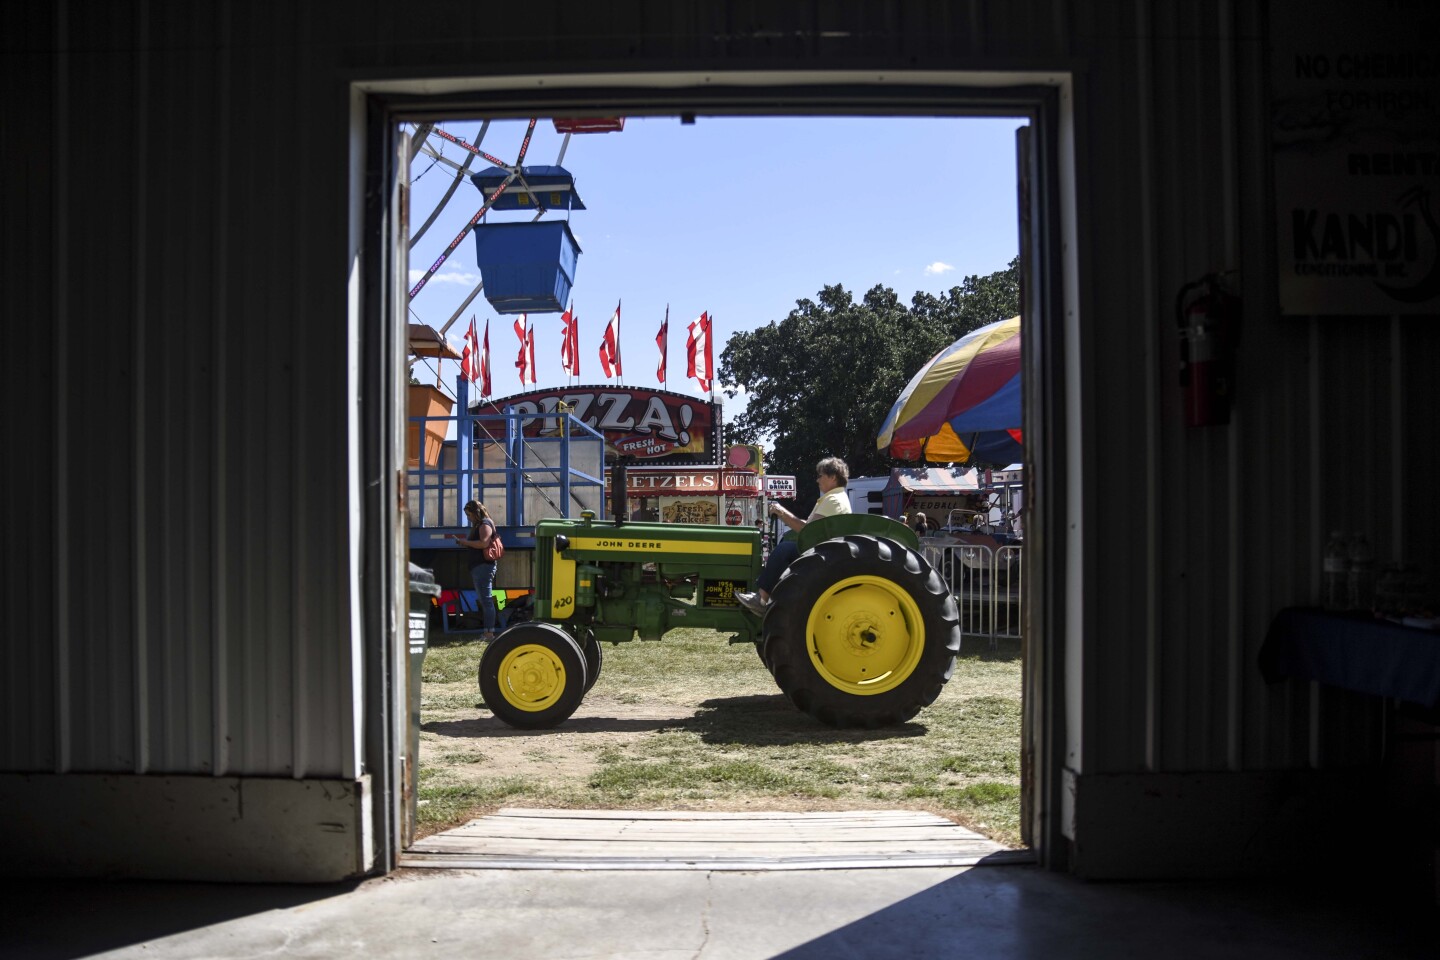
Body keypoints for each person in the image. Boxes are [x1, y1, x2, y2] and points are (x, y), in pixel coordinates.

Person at [736, 456, 851, 616]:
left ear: (833, 477)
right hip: (825, 553)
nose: (817, 480)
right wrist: (782, 513)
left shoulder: (834, 500)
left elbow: (807, 530)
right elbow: (810, 525)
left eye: (820, 476)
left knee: (785, 549)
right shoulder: (835, 498)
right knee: (786, 544)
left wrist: (780, 511)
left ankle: (761, 600)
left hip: (822, 557)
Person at [450, 500, 499, 639]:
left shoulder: (485, 524)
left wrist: (465, 542)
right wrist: (465, 543)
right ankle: (487, 631)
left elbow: (484, 543)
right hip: (479, 566)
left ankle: (489, 632)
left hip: (483, 566)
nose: (468, 518)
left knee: (486, 600)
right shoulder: (480, 524)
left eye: (469, 515)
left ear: (476, 513)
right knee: (484, 600)